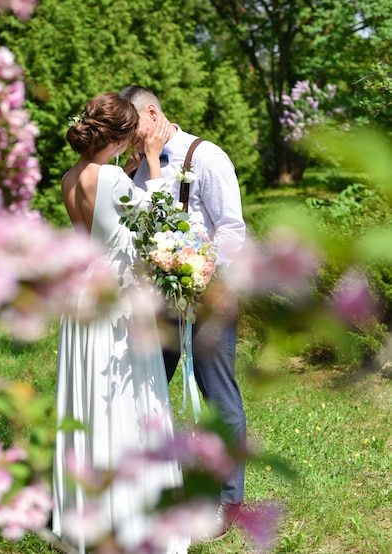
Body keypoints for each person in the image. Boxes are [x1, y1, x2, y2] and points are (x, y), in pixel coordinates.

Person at [52, 92, 189, 554]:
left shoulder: (71, 177)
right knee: (124, 397)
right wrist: (151, 160)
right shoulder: (110, 177)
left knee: (89, 401)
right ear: (120, 134)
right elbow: (154, 217)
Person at [120, 85, 247, 539]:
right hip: (160, 301)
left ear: (152, 114)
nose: (129, 142)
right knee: (146, 390)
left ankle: (228, 502)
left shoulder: (207, 156)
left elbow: (231, 228)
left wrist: (213, 281)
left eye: (132, 131)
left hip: (209, 298)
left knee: (217, 396)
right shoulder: (137, 168)